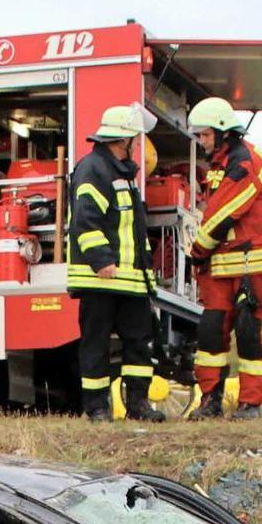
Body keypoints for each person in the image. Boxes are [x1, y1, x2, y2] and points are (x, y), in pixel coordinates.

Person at [186, 97, 262, 421]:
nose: (200, 141)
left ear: (222, 131)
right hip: (222, 264)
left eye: (203, 134)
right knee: (211, 331)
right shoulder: (220, 164)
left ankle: (250, 405)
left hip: (253, 263)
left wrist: (198, 250)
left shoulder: (245, 162)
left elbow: (222, 214)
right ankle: (210, 401)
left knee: (250, 332)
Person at [66, 105, 161, 422]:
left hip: (130, 280)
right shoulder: (93, 169)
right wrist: (101, 260)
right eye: (135, 138)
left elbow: (132, 229)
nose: (138, 144)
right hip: (101, 279)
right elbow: (85, 220)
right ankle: (96, 408)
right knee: (96, 344)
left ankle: (139, 405)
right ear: (123, 140)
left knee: (139, 344)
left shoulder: (121, 172)